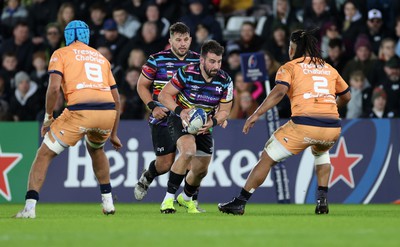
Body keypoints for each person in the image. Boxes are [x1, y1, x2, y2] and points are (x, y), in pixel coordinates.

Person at [218, 29, 351, 215]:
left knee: (267, 158)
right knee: (321, 153)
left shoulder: (290, 67)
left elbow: (279, 92)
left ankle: (239, 202)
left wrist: (256, 114)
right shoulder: (329, 68)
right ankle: (322, 201)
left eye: (290, 47)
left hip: (304, 125)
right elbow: (347, 96)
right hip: (331, 128)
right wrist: (330, 108)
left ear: (294, 48)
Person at [15, 20, 122, 218]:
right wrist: (114, 133)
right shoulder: (100, 57)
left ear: (66, 37)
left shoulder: (60, 53)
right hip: (107, 112)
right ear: (86, 36)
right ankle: (108, 202)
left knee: (44, 154)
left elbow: (54, 88)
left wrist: (48, 117)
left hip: (80, 110)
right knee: (96, 149)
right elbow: (117, 99)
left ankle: (29, 208)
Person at [158, 40, 233, 214]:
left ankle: (185, 197)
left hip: (205, 123)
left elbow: (225, 111)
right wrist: (180, 111)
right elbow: (164, 96)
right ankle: (167, 200)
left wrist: (213, 122)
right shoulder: (186, 73)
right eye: (212, 61)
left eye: (219, 61)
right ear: (202, 60)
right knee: (188, 150)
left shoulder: (225, 80)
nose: (216, 66)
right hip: (182, 118)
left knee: (200, 170)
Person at [134, 22, 200, 206]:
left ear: (190, 40)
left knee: (192, 158)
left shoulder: (198, 61)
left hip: (188, 119)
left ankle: (190, 200)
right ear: (170, 40)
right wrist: (152, 107)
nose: (182, 44)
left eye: (185, 39)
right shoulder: (156, 59)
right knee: (164, 165)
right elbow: (141, 85)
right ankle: (148, 176)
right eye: (178, 40)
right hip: (162, 117)